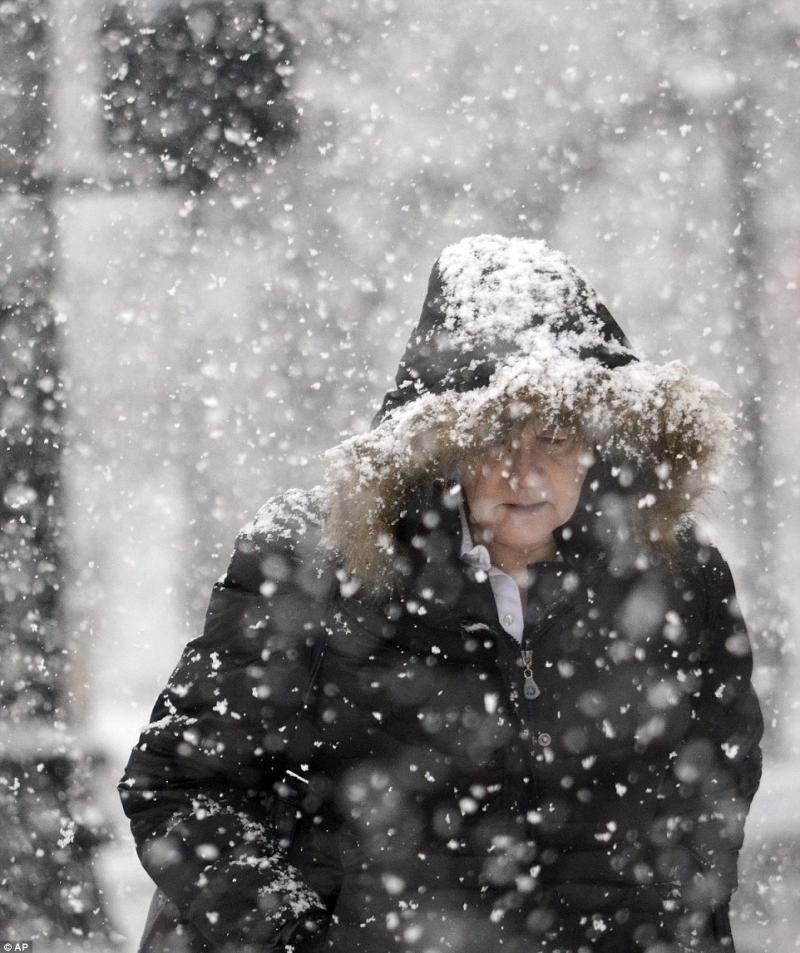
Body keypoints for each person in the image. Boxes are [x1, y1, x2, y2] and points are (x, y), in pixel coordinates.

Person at [119, 234, 764, 953]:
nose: (525, 471)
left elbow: (715, 785)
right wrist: (294, 936)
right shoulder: (316, 568)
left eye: (553, 433)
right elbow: (179, 786)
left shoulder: (678, 573)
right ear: (442, 445)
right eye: (493, 437)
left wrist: (667, 917)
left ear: (595, 436)